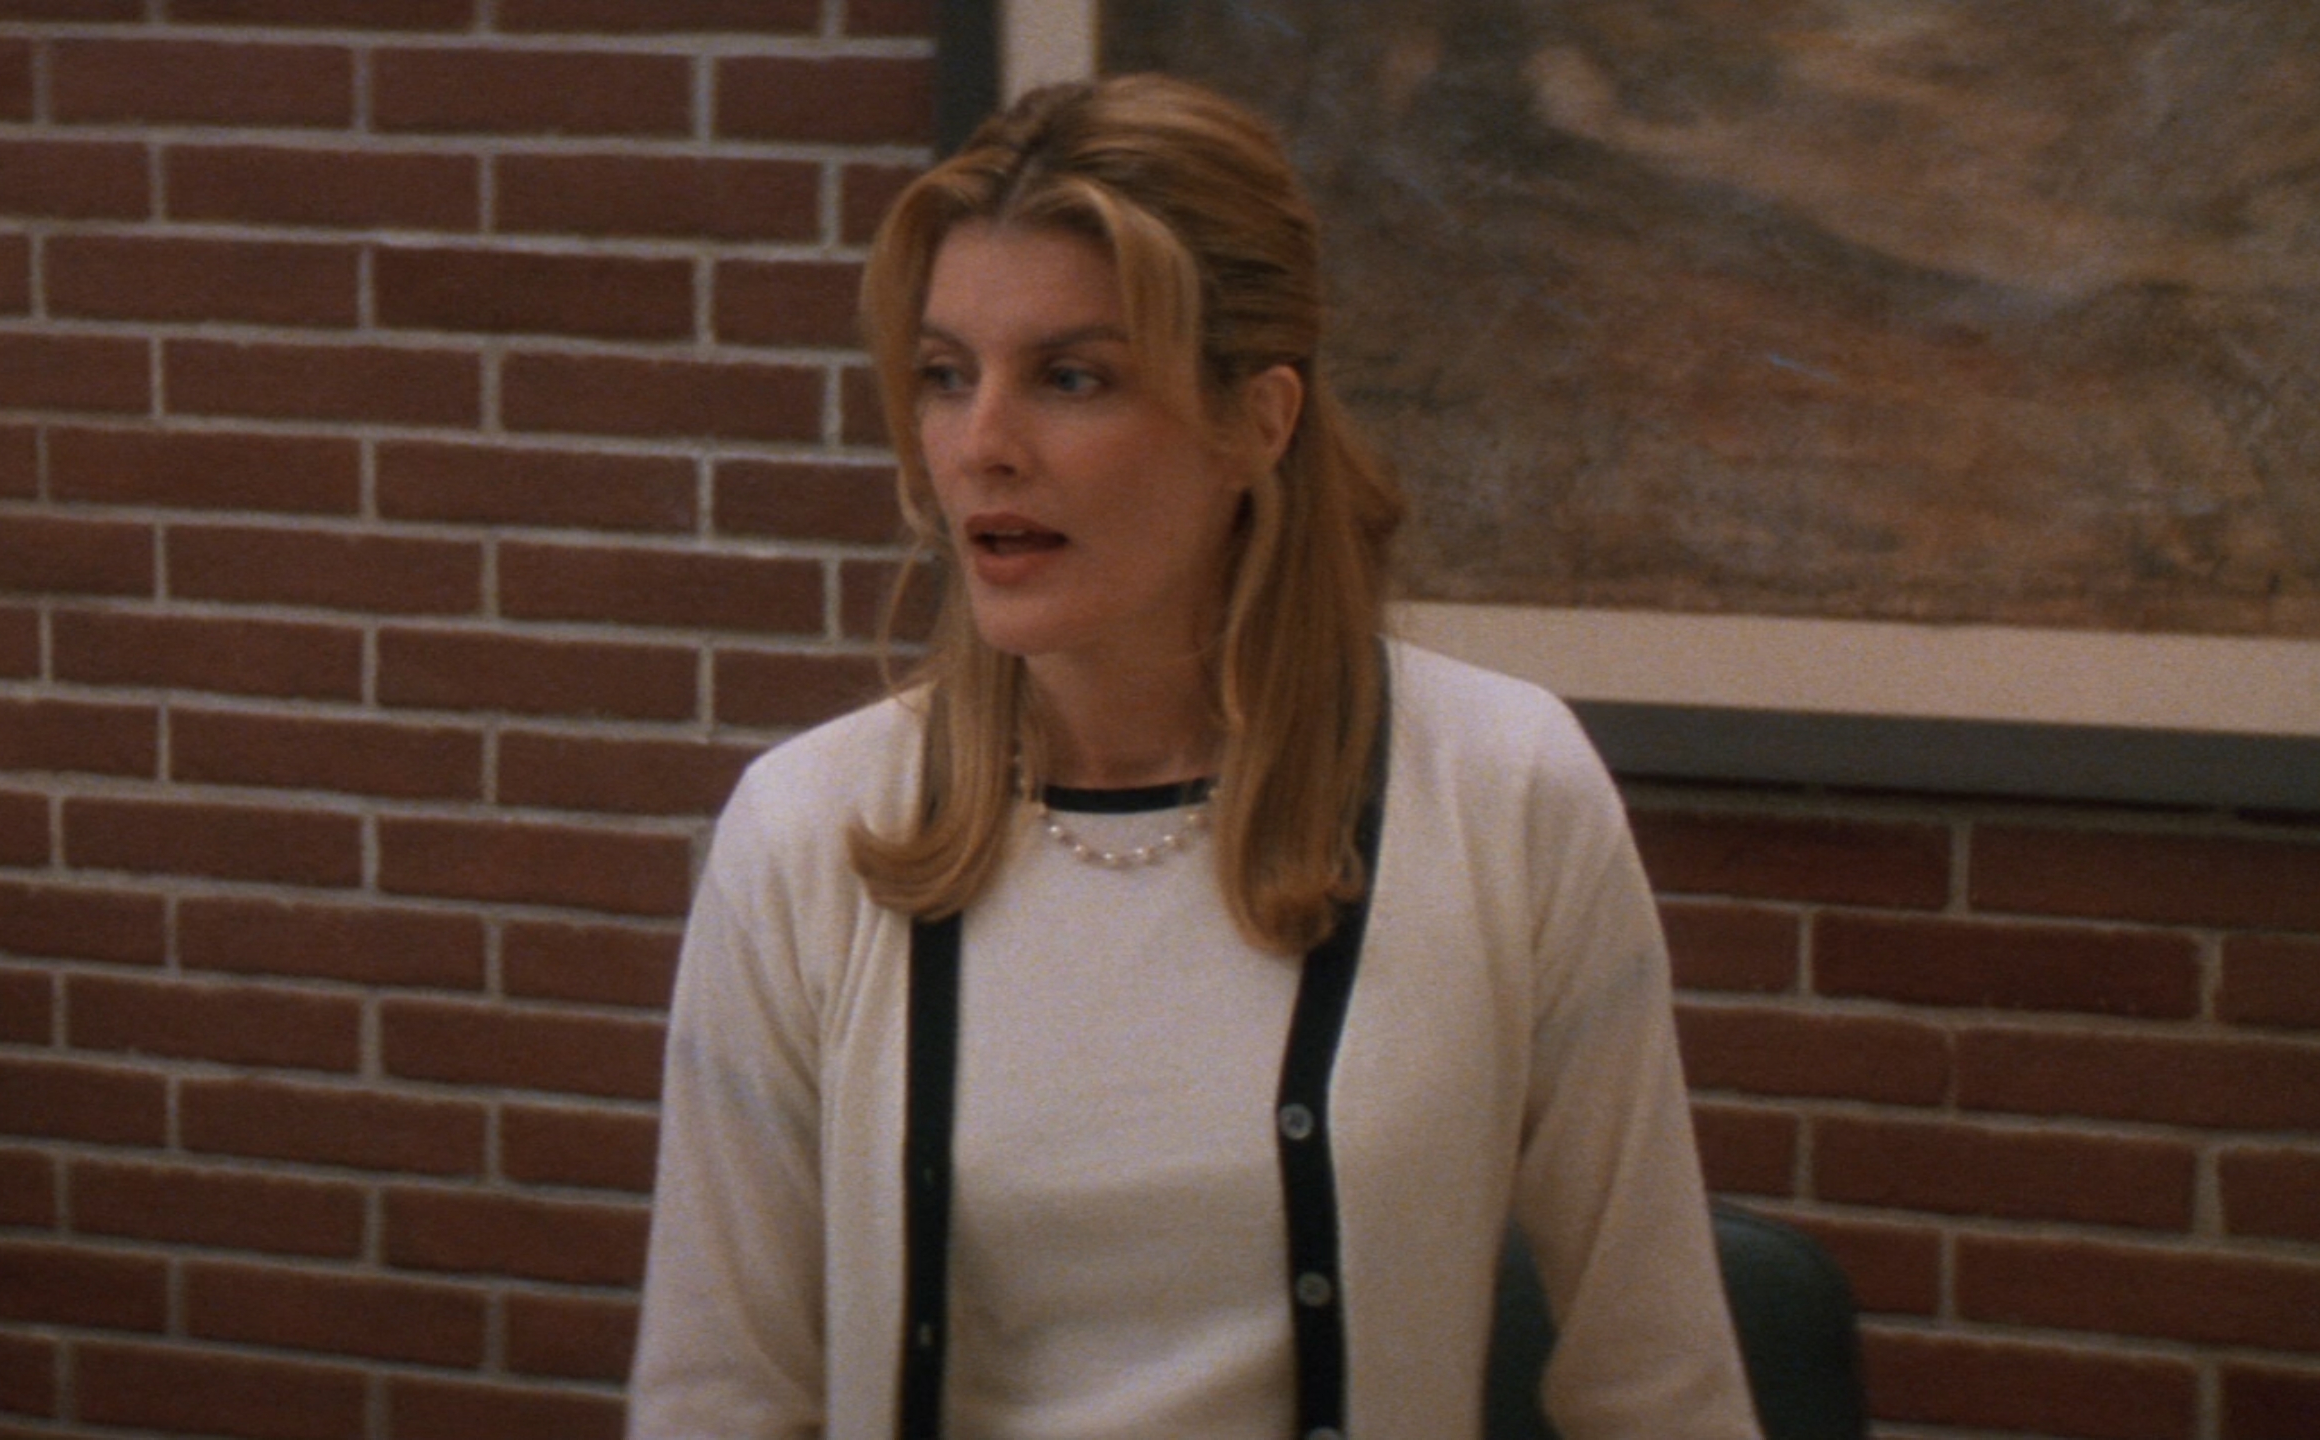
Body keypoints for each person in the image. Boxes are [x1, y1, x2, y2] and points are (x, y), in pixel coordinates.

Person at [628, 74, 1760, 1440]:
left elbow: (1660, 1385)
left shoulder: (1501, 790)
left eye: (1072, 378)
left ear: (1258, 421)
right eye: (945, 375)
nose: (980, 448)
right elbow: (715, 1403)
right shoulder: (808, 828)